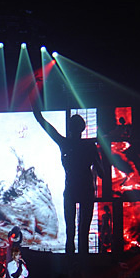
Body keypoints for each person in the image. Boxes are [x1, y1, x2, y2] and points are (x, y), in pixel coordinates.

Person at [32, 108, 104, 254]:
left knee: (72, 231)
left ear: (71, 128)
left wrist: (34, 104)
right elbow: (102, 172)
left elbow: (43, 122)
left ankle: (72, 267)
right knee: (81, 231)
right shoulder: (87, 146)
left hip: (74, 190)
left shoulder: (66, 143)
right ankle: (81, 267)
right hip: (82, 190)